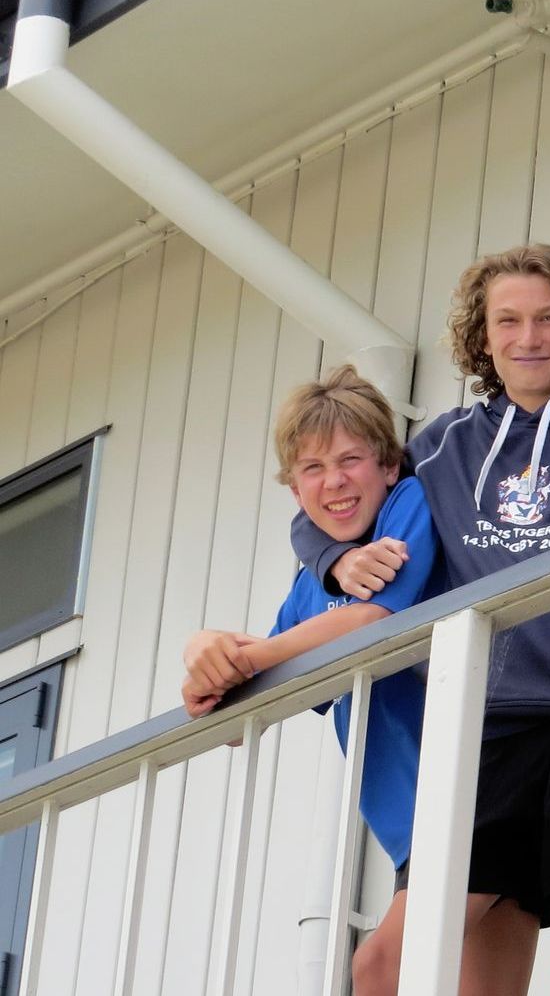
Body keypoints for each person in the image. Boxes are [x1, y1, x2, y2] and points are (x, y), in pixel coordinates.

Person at [292, 244, 550, 995]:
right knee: (387, 965)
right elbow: (342, 496)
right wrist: (325, 558)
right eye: (508, 321)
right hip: (482, 735)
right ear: (483, 334)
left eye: (547, 319)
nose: (527, 337)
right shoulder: (440, 447)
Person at [183, 364, 439, 996]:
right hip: (410, 825)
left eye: (351, 459)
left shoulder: (407, 507)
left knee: (376, 969)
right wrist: (206, 658)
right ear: (295, 491)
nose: (335, 482)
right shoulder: (306, 590)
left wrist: (249, 654)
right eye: (313, 469)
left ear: (387, 466)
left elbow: (373, 617)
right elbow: (244, 720)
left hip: (470, 786)